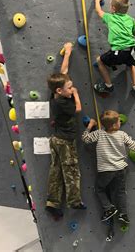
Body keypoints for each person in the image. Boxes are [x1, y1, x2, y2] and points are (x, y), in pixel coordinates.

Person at [45, 42, 86, 220]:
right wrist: (76, 94)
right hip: (65, 142)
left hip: (56, 140)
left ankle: (52, 203)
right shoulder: (62, 102)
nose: (72, 88)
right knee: (71, 170)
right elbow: (78, 109)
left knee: (56, 171)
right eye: (69, 88)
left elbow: (64, 72)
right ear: (60, 90)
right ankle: (74, 201)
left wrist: (67, 53)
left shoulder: (56, 95)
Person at [82, 110, 135, 223]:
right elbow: (133, 145)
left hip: (106, 170)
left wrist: (90, 125)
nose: (120, 122)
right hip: (120, 169)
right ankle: (123, 214)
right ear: (115, 124)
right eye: (119, 121)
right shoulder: (122, 134)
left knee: (99, 189)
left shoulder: (99, 133)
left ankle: (109, 208)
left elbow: (85, 138)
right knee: (120, 191)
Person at [93, 0, 135, 96]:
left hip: (118, 52)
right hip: (132, 49)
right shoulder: (131, 20)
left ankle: (108, 86)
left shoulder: (110, 17)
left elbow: (98, 11)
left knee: (99, 60)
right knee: (132, 64)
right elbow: (134, 32)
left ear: (113, 8)